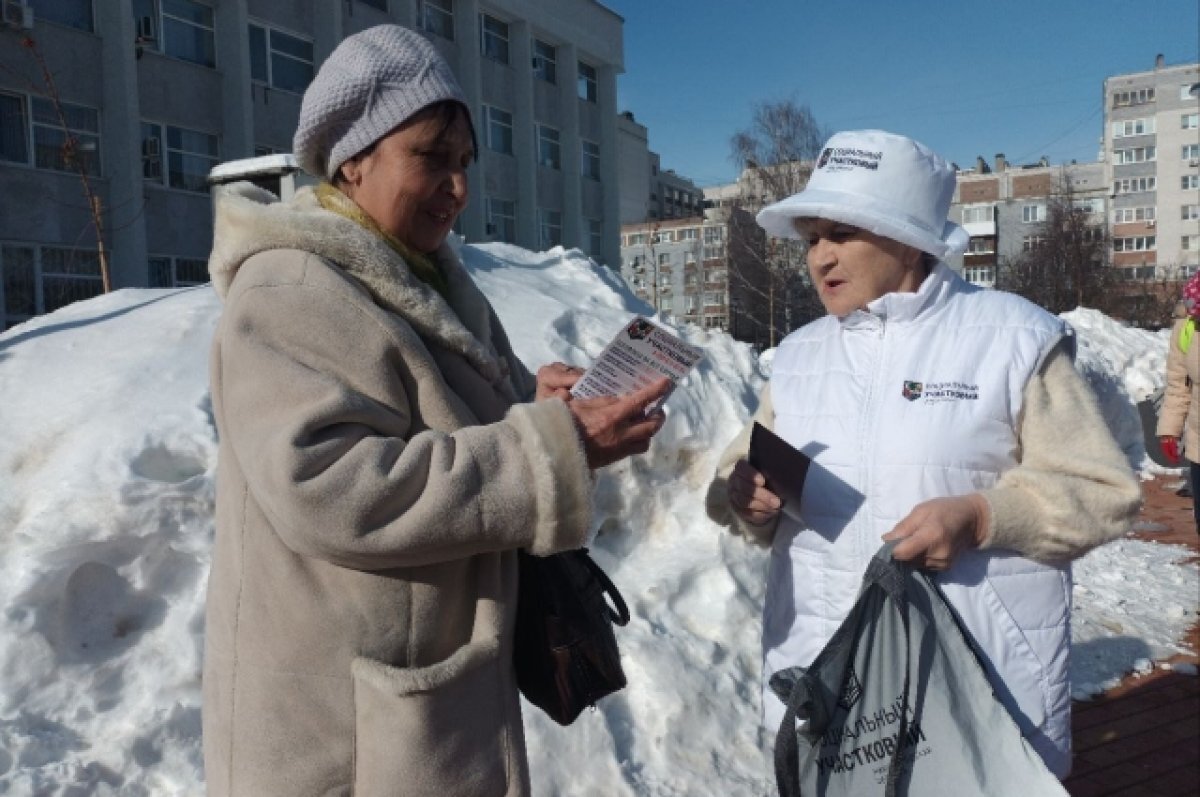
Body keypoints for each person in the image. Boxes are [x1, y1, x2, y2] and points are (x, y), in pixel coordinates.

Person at [201, 25, 669, 796]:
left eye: (463, 164)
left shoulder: (431, 284)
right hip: (339, 730)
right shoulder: (287, 291)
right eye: (430, 157)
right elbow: (332, 487)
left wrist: (539, 402)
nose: (457, 187)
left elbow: (465, 424)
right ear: (353, 158)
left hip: (421, 699)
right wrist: (547, 448)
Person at [706, 130, 1141, 779]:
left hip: (973, 693)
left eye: (840, 234)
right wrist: (745, 497)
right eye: (811, 238)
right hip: (829, 684)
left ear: (906, 236)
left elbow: (1104, 492)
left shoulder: (1013, 339)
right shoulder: (798, 358)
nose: (819, 256)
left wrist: (982, 515)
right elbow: (734, 481)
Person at [1157, 273, 1200, 531]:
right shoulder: (1186, 329)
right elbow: (1178, 385)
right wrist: (1169, 430)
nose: (1194, 316)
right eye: (1192, 308)